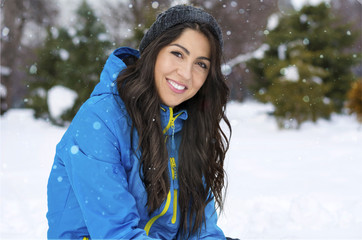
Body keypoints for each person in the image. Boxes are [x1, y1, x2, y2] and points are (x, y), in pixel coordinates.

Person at [47, 4, 231, 240]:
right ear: (153, 52)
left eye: (201, 64)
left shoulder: (189, 129)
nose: (186, 73)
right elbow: (117, 234)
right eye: (177, 53)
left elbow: (202, 232)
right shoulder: (100, 120)